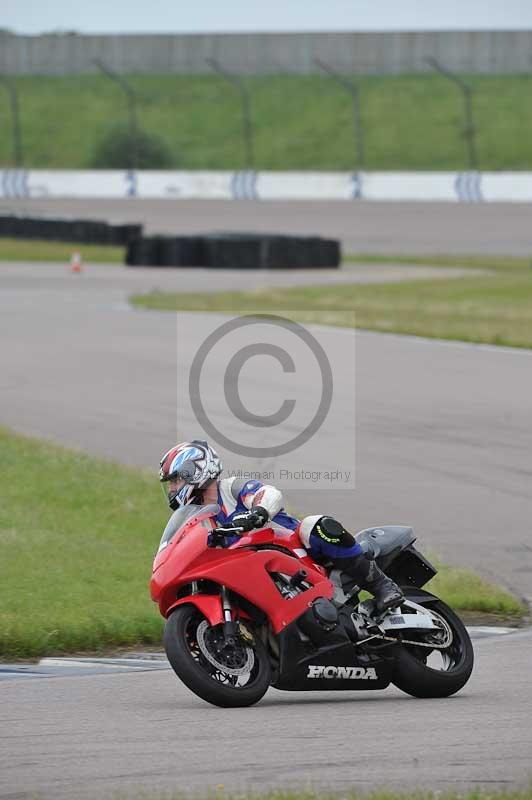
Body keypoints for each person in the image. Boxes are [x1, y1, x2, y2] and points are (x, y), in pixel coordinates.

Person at [159, 440, 404, 613]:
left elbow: (269, 493)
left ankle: (382, 585)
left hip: (295, 550)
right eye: (169, 483)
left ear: (198, 471)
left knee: (316, 525)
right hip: (257, 571)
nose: (172, 489)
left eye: (175, 480)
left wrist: (258, 512)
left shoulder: (231, 488)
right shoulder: (199, 520)